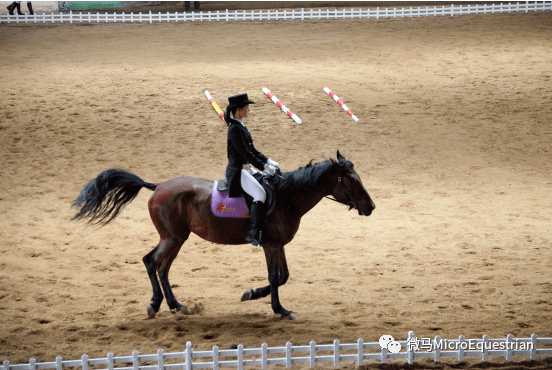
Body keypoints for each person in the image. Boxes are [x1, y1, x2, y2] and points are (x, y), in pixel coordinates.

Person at [224, 93, 279, 247]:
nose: (248, 110)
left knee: (267, 184)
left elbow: (253, 150)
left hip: (247, 169)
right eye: (246, 108)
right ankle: (253, 233)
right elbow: (245, 154)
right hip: (238, 171)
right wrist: (263, 167)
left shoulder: (241, 125)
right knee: (260, 194)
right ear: (239, 110)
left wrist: (268, 161)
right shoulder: (234, 129)